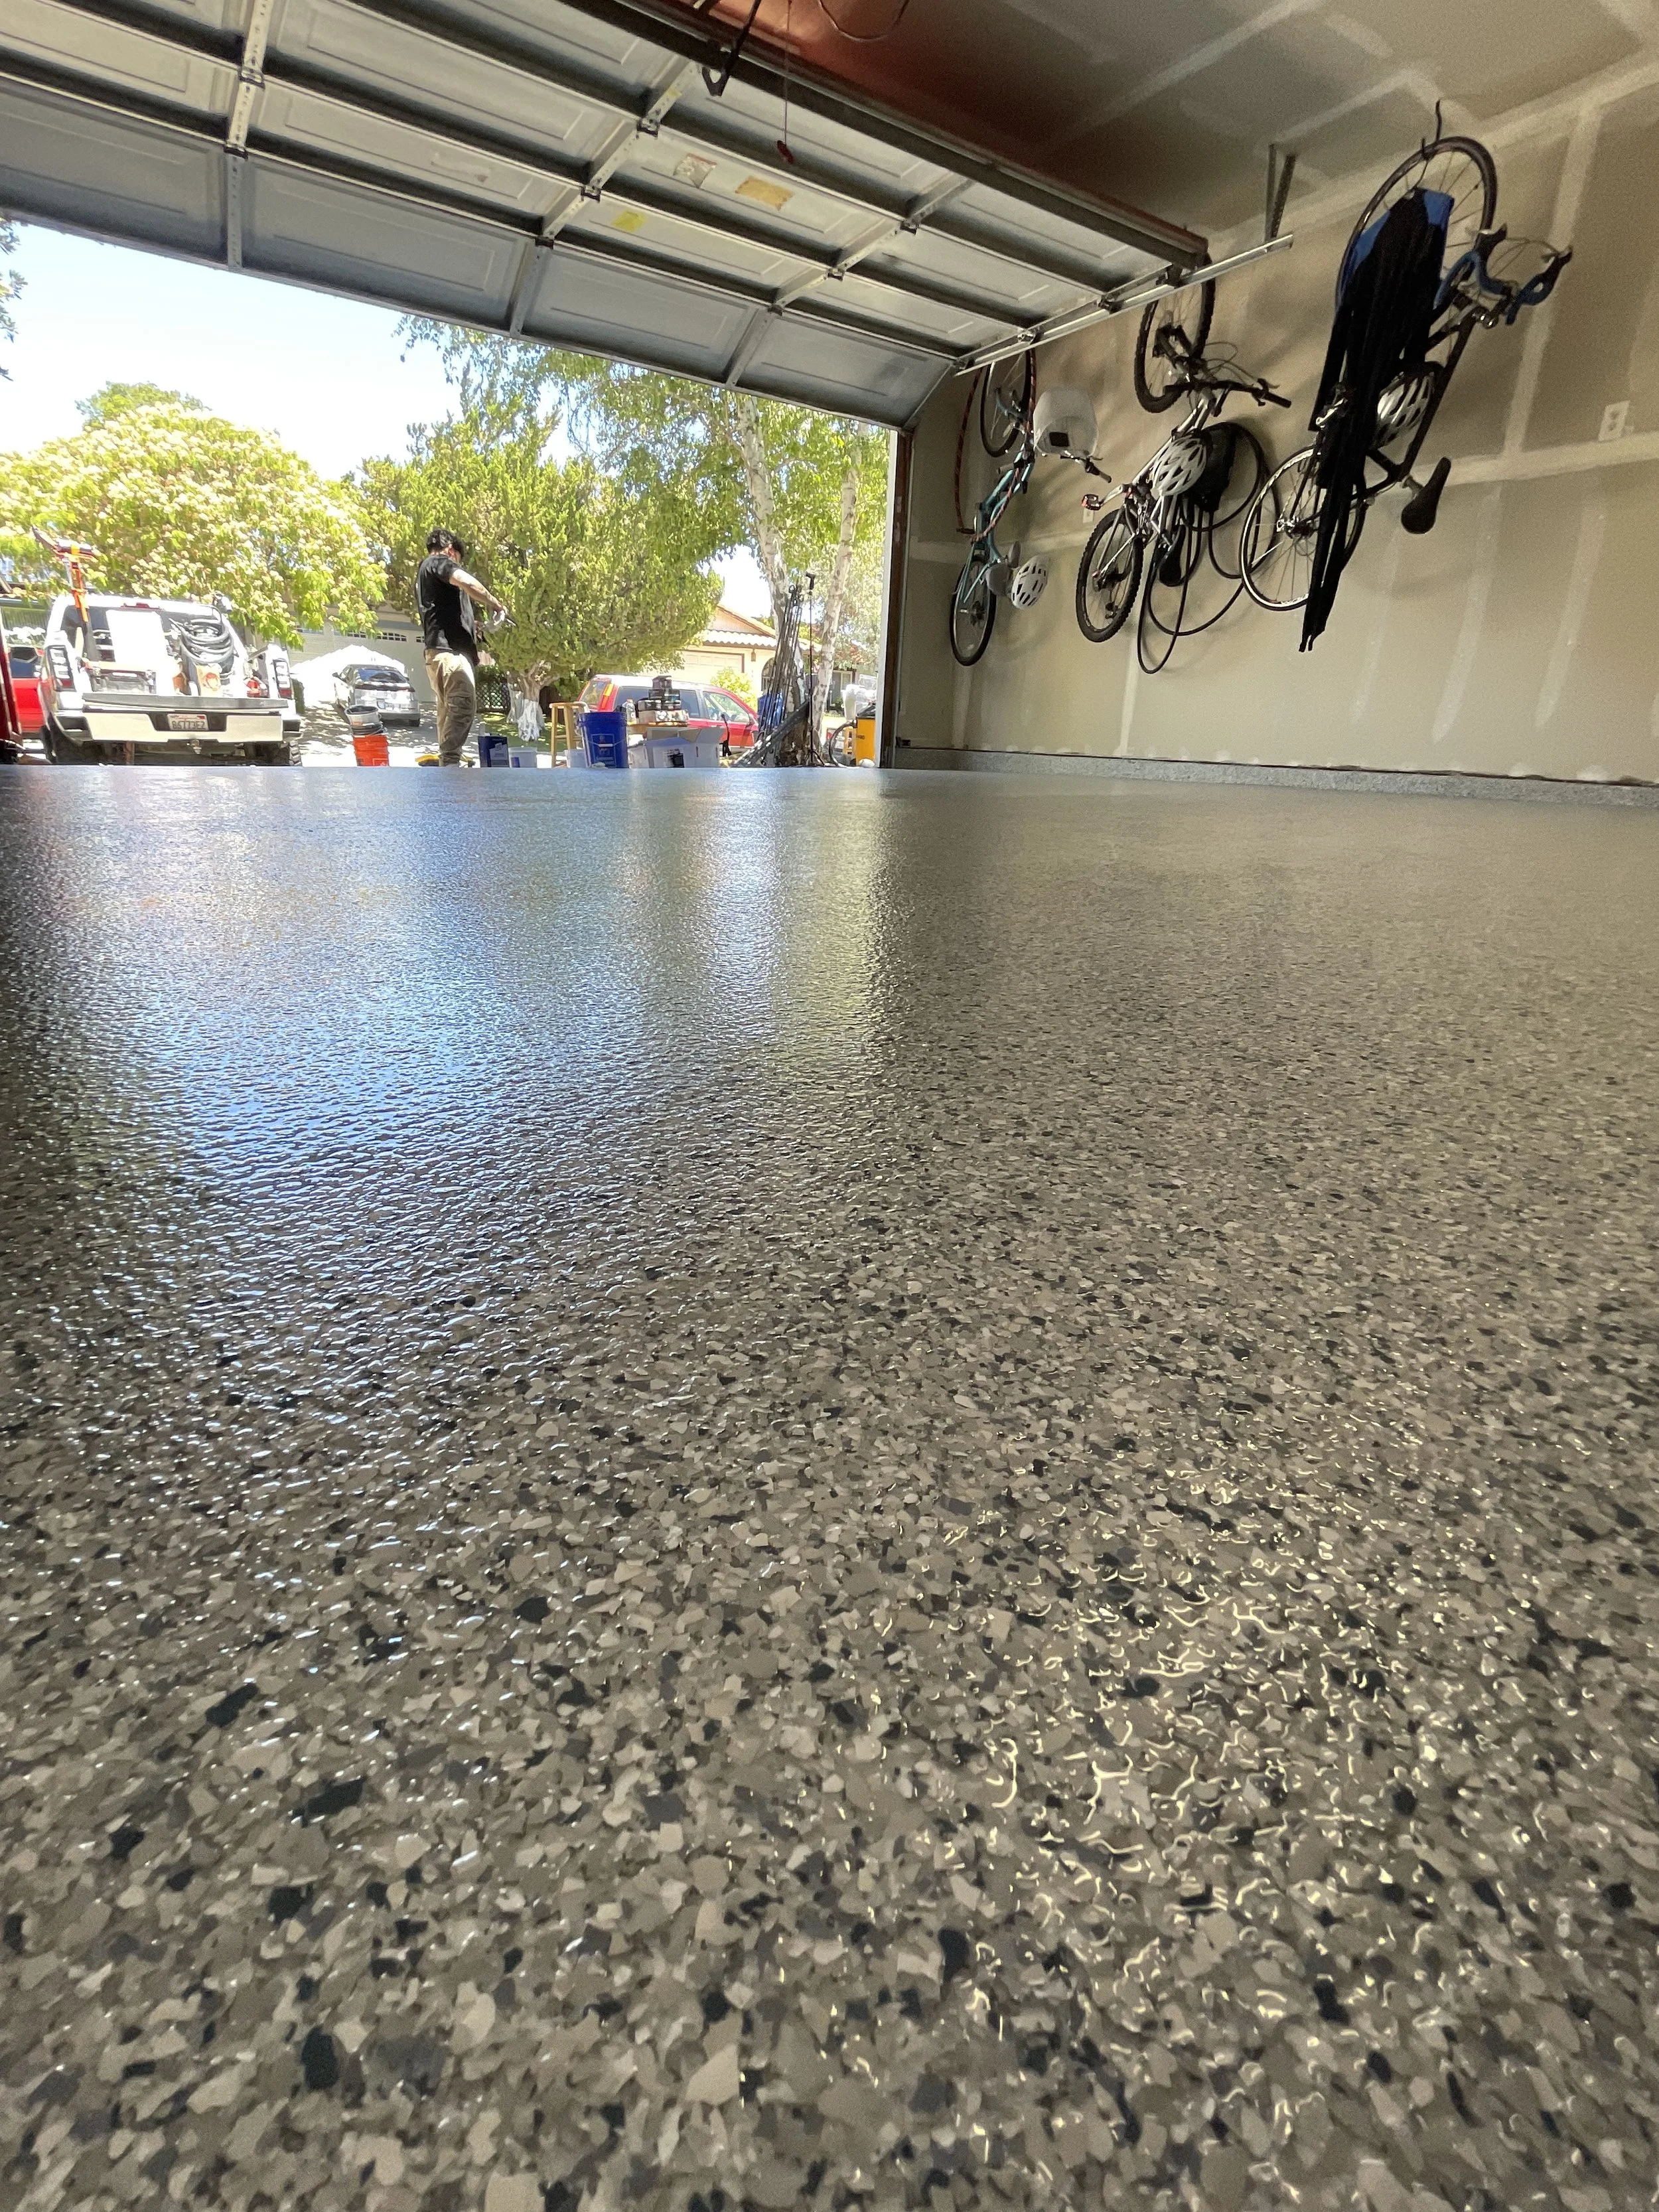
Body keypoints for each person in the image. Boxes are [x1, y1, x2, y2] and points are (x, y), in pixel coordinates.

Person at [414, 529, 508, 766]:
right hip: (451, 655)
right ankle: (450, 762)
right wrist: (495, 604)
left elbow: (442, 612)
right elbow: (466, 581)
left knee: (448, 712)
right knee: (463, 706)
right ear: (451, 551)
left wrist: (472, 626)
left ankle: (447, 765)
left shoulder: (426, 574)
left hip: (437, 653)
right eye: (458, 560)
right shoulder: (439, 561)